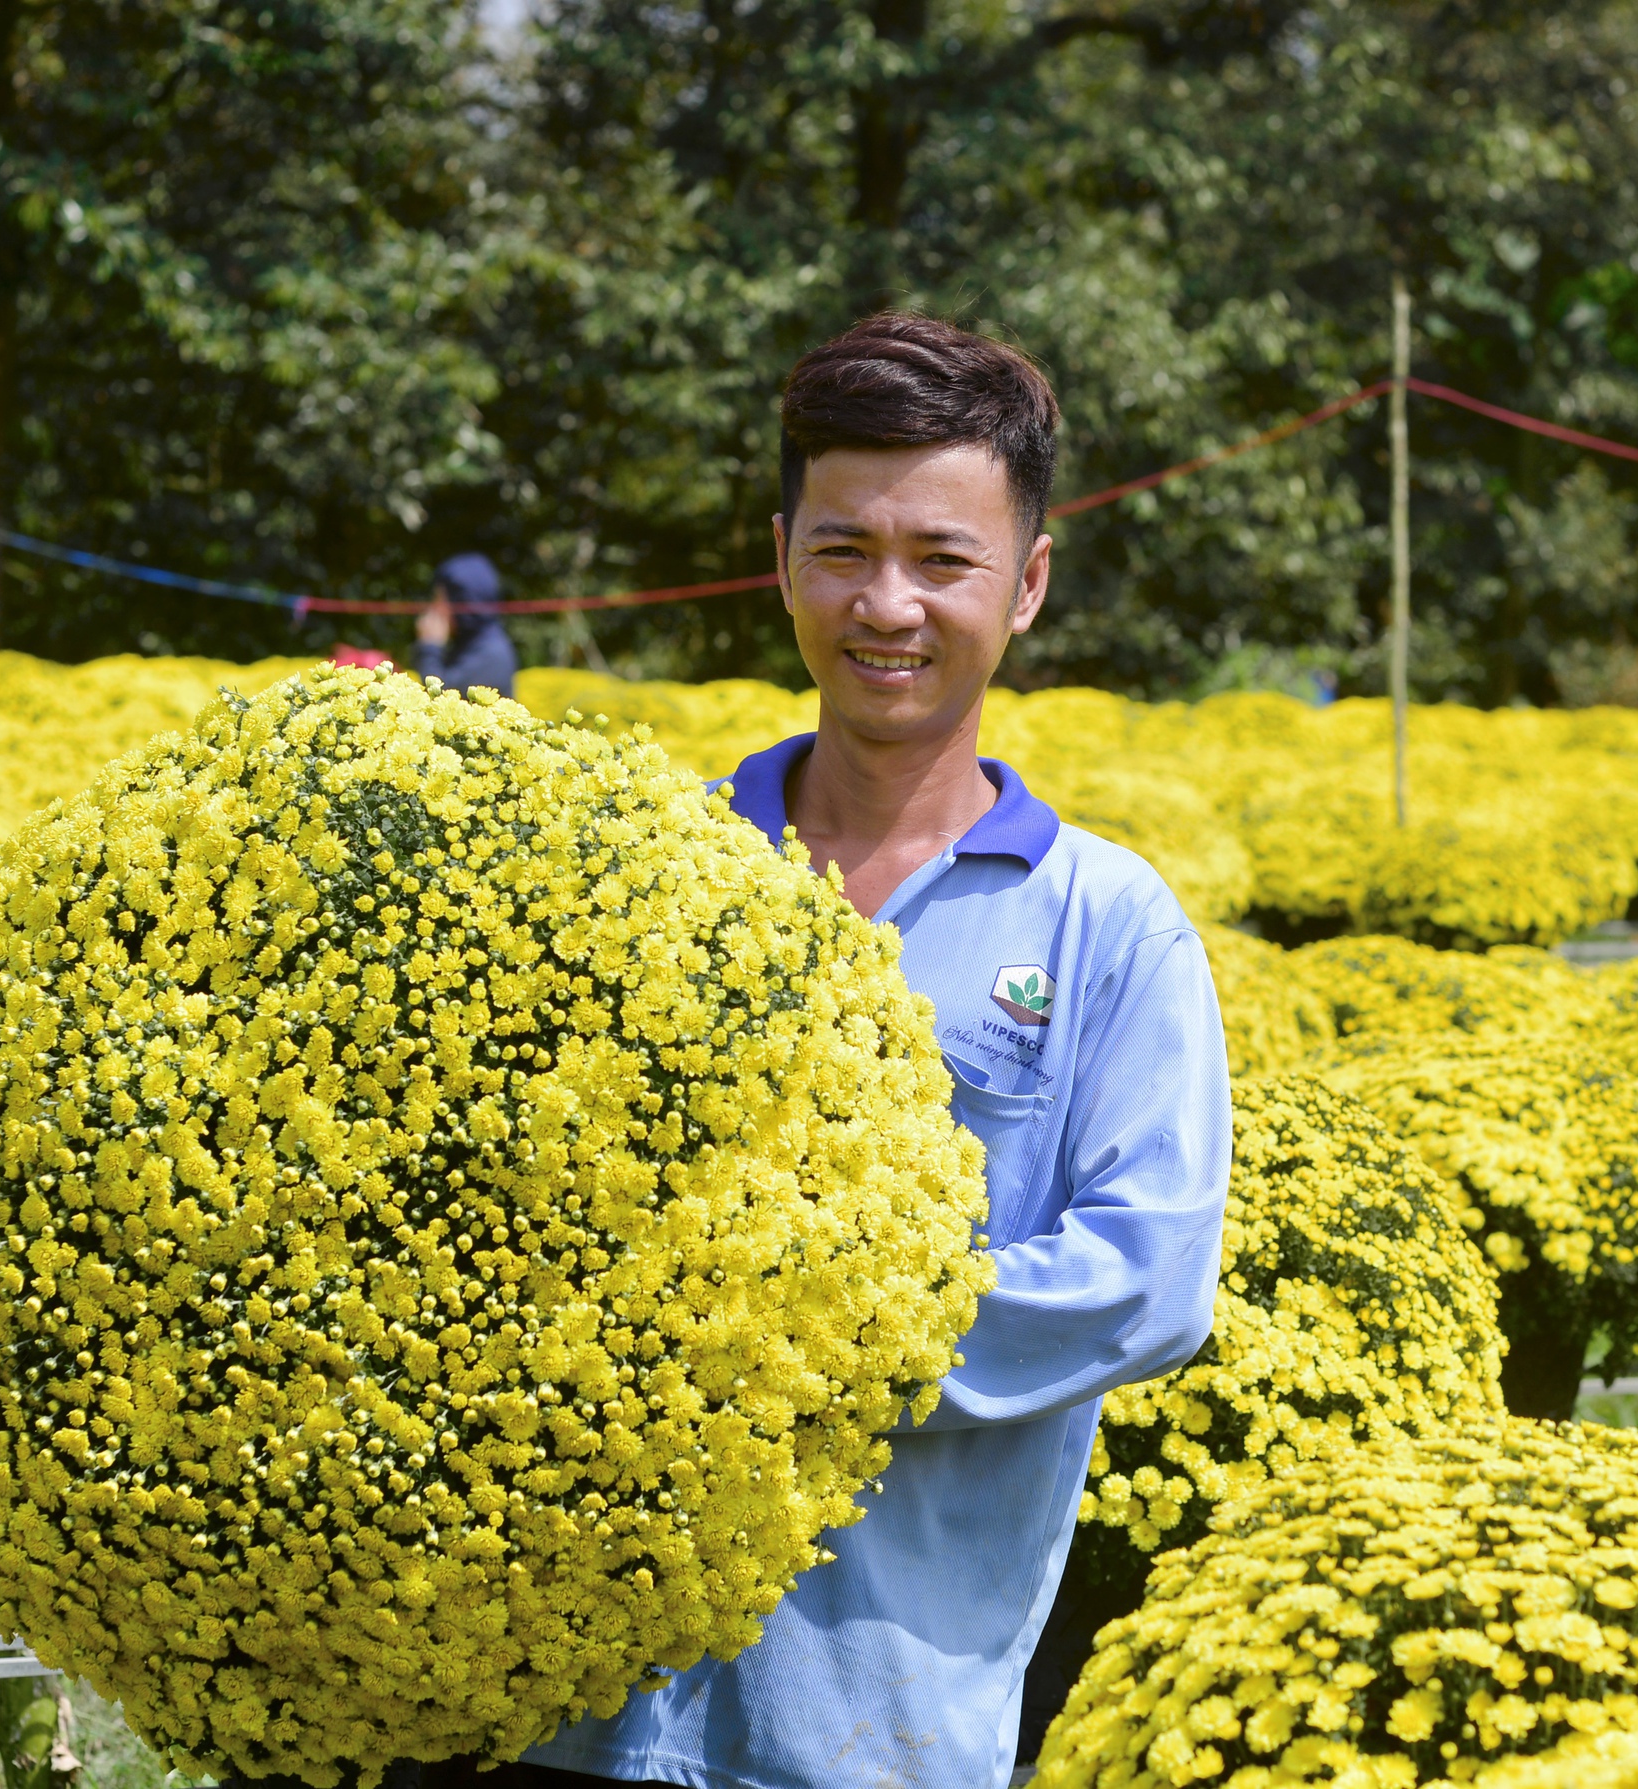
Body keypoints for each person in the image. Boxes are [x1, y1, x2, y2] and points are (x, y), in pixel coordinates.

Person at [478, 314, 1231, 1788]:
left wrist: (795, 1339)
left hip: (874, 1730)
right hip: (566, 1711)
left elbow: (1148, 1275)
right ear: (782, 562)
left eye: (943, 559)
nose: (888, 604)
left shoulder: (1106, 924)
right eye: (844, 550)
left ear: (1027, 584)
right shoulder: (641, 872)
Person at [414, 552, 518, 697]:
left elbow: (445, 699)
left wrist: (429, 648)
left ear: (461, 601)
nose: (435, 608)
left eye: (438, 598)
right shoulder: (473, 643)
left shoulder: (492, 654)